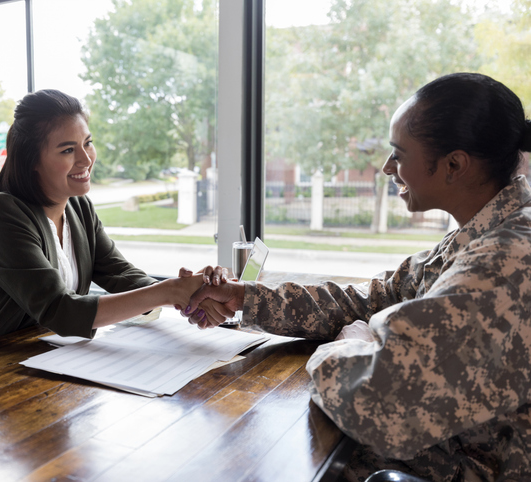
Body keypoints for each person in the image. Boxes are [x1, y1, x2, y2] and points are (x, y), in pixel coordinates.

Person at [184, 73, 531, 481]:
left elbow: (373, 401)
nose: (387, 167)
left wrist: (352, 342)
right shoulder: (482, 233)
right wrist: (246, 298)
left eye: (399, 154)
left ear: (454, 165)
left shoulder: (504, 263)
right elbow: (375, 298)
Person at [0, 89, 225, 346]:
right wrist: (171, 291)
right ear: (32, 161)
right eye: (67, 150)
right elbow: (60, 310)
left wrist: (192, 292)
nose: (86, 159)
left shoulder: (79, 208)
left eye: (87, 143)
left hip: (55, 363)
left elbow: (120, 274)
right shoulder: (1, 214)